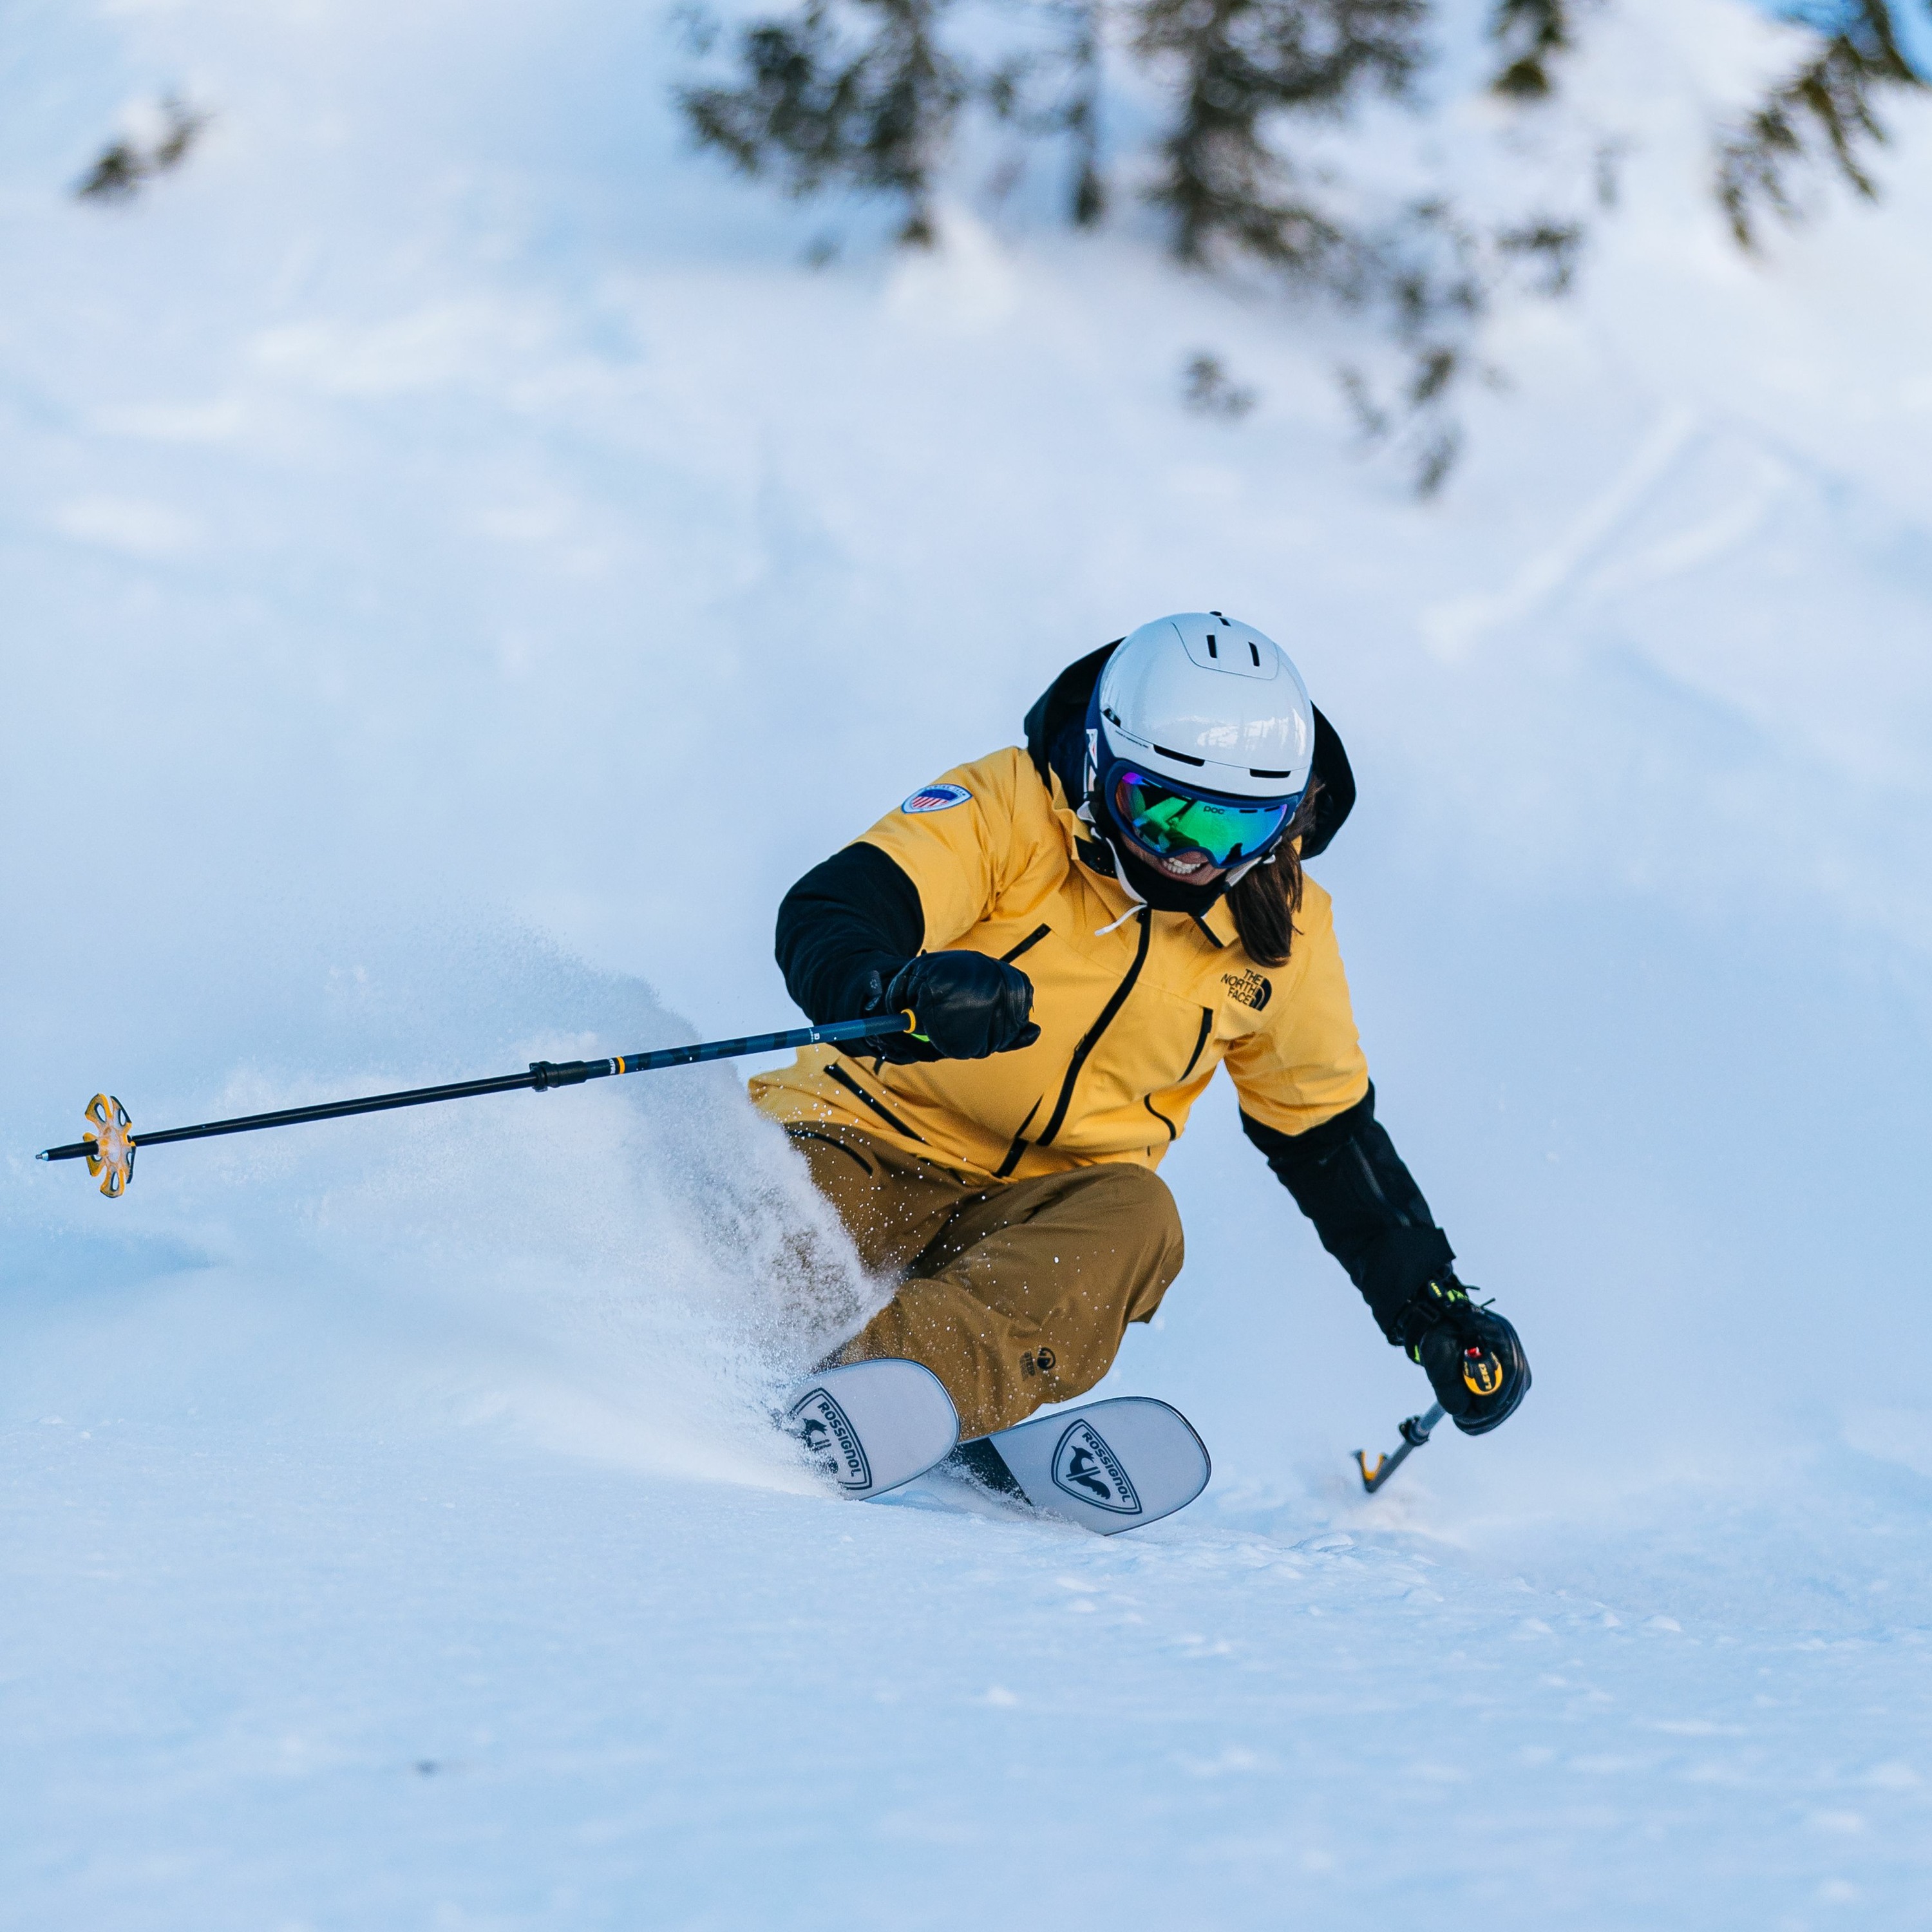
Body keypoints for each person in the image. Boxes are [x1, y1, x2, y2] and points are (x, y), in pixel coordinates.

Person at [749, 613, 1529, 1454]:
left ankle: (883, 1393)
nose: (1191, 859)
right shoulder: (1012, 806)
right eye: (1158, 814)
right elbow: (838, 907)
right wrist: (895, 986)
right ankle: (757, 1367)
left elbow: (1329, 1139)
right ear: (1100, 764)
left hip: (1037, 1219)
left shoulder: (1287, 935)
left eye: (1232, 832)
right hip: (866, 1140)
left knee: (1143, 1216)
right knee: (776, 1274)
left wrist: (1432, 1308)